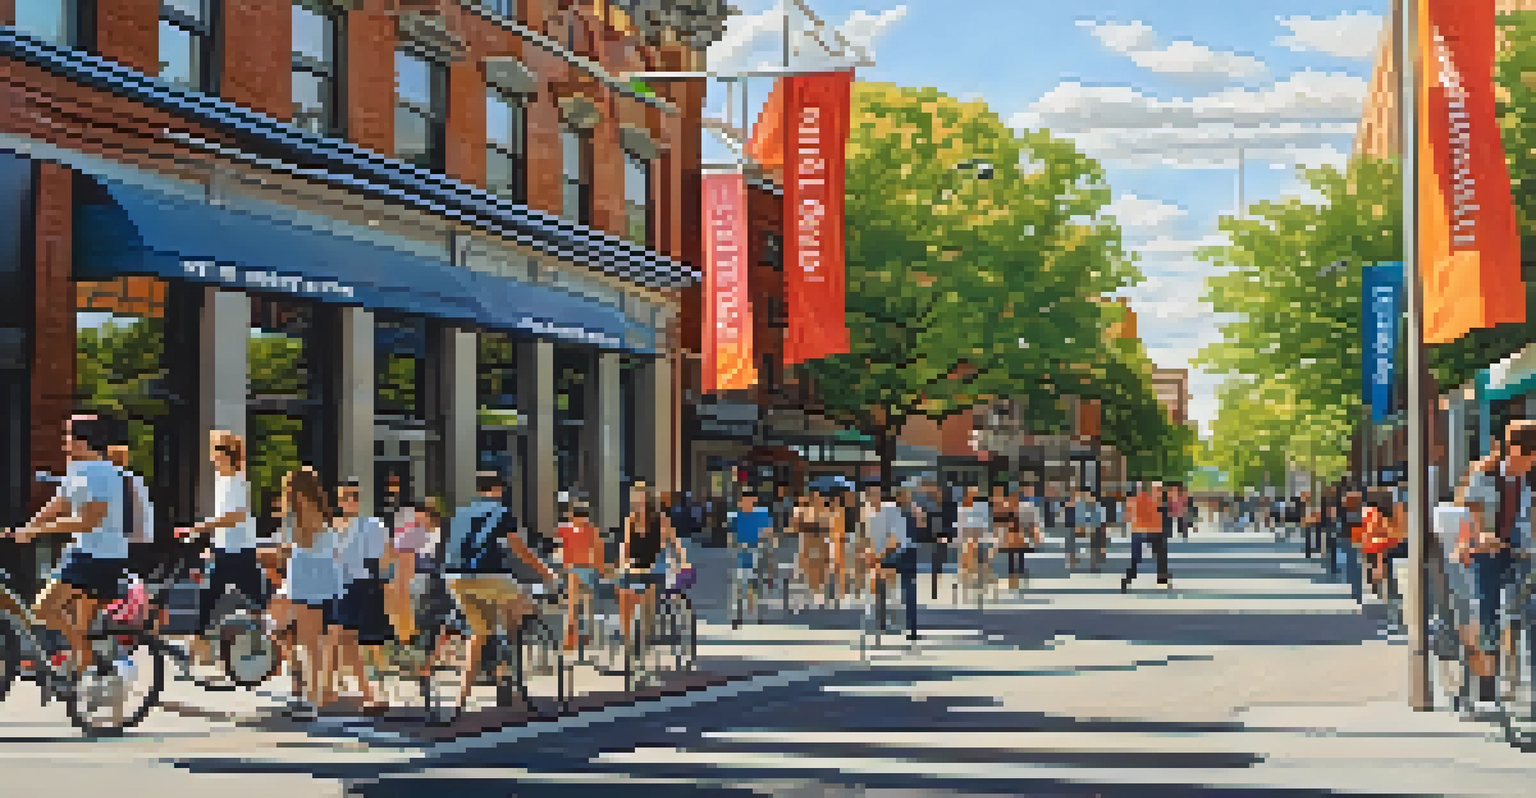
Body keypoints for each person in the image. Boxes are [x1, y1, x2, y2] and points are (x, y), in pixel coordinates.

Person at [9, 415, 131, 677]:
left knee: (43, 608)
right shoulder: (78, 469)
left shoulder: (103, 474)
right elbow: (59, 503)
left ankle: (89, 657)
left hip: (100, 556)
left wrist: (38, 530)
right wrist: (28, 527)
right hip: (82, 552)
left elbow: (88, 521)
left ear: (84, 440)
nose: (64, 443)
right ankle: (89, 682)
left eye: (68, 436)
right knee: (78, 622)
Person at [443, 471, 556, 711]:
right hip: (490, 576)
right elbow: (520, 549)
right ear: (499, 490)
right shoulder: (501, 511)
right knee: (524, 607)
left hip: (454, 578)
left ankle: (460, 699)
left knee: (479, 633)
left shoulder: (460, 513)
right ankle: (506, 665)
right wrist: (547, 573)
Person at [1457, 420, 1536, 711]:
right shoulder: (1486, 475)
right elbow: (1475, 516)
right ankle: (1485, 687)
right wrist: (1484, 536)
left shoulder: (1527, 482)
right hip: (1485, 553)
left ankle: (1520, 675)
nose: (1533, 462)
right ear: (1516, 450)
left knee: (1527, 610)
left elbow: (1530, 521)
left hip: (1517, 553)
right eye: (1531, 455)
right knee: (1487, 612)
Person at [174, 431, 264, 667]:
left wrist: (198, 528)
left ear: (227, 455)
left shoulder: (237, 481)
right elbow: (223, 519)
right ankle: (197, 651)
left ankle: (283, 640)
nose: (213, 457)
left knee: (258, 601)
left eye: (216, 451)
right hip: (225, 549)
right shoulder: (222, 481)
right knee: (209, 596)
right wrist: (210, 543)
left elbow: (234, 517)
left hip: (239, 550)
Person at [269, 467, 342, 718]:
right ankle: (305, 693)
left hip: (308, 577)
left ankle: (311, 702)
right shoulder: (319, 512)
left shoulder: (302, 513)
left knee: (310, 642)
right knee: (298, 637)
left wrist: (286, 530)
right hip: (313, 576)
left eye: (289, 488)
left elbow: (300, 544)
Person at [328, 477, 391, 713]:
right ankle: (333, 688)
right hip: (336, 585)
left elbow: (381, 559)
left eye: (355, 496)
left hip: (361, 585)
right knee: (338, 638)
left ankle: (365, 692)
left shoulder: (371, 524)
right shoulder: (332, 527)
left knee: (350, 639)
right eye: (346, 496)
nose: (351, 501)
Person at [618, 482, 687, 654]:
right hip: (635, 567)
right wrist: (622, 562)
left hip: (655, 567)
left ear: (648, 499)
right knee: (625, 598)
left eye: (642, 497)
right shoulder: (630, 520)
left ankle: (645, 636)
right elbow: (625, 546)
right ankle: (627, 640)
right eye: (637, 498)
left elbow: (674, 542)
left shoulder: (660, 519)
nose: (639, 501)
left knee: (649, 597)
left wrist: (682, 563)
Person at [868, 487, 918, 641]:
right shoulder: (868, 514)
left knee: (907, 586)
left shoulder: (890, 510)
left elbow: (895, 541)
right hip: (884, 554)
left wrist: (877, 556)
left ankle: (911, 626)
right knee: (879, 583)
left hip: (902, 552)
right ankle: (882, 622)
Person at [555, 496, 604, 650]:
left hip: (580, 569)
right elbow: (597, 550)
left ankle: (575, 636)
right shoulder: (585, 529)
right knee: (582, 603)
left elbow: (597, 550)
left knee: (575, 604)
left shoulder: (582, 529)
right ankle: (580, 635)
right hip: (579, 569)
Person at [728, 489, 775, 629]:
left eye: (749, 500)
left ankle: (759, 614)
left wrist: (766, 542)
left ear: (754, 500)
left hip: (758, 552)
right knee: (739, 586)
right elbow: (730, 535)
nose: (746, 503)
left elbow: (769, 533)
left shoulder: (762, 514)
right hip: (742, 553)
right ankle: (737, 617)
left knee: (757, 585)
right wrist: (733, 546)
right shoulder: (735, 516)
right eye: (743, 500)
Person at [1122, 482, 1171, 592]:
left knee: (1137, 557)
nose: (1160, 491)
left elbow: (1127, 516)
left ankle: (1130, 576)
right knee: (1160, 554)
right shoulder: (1153, 500)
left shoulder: (1134, 500)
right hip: (1151, 530)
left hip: (1142, 531)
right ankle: (1162, 579)